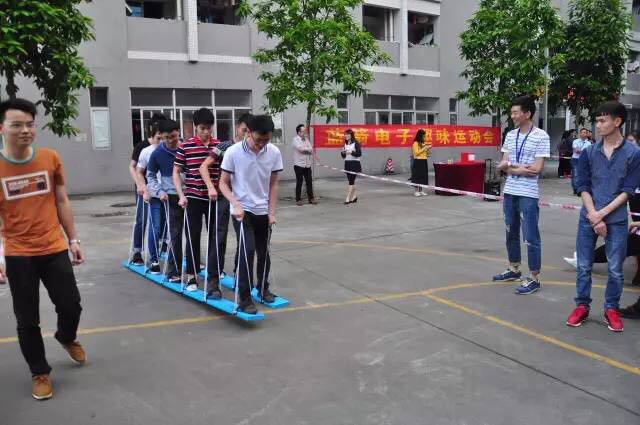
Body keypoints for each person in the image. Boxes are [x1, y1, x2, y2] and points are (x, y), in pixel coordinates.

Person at [0, 98, 85, 400]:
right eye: (17, 125)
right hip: (18, 253)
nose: (25, 130)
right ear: (2, 128)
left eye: (30, 124)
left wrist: (73, 240)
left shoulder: (50, 158)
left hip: (53, 246)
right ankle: (39, 372)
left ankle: (66, 335)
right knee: (27, 319)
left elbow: (61, 200)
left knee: (71, 305)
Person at [566, 101, 640, 332]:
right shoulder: (589, 152)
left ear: (617, 121)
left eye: (602, 120)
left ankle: (611, 309)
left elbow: (628, 190)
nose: (597, 125)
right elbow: (583, 186)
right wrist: (593, 215)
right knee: (584, 266)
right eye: (596, 121)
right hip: (588, 217)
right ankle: (582, 306)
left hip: (616, 219)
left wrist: (602, 215)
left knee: (615, 269)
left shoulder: (633, 154)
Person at [219, 115, 283, 313]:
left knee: (264, 251)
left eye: (266, 140)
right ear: (248, 132)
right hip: (242, 210)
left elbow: (273, 184)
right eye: (258, 140)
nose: (262, 144)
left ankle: (263, 288)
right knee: (247, 250)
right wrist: (235, 204)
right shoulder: (233, 152)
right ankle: (245, 298)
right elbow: (223, 183)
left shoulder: (273, 152)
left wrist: (271, 212)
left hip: (262, 210)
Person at [493, 95, 550, 295]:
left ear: (527, 113)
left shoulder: (541, 136)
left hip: (528, 194)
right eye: (512, 112)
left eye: (516, 112)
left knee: (531, 236)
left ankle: (534, 277)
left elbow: (536, 169)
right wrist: (517, 167)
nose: (513, 116)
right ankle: (514, 268)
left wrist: (511, 166)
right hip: (510, 192)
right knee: (511, 232)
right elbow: (502, 165)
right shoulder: (510, 135)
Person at [173, 108, 221, 298]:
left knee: (215, 237)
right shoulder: (186, 146)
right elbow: (176, 172)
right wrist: (181, 195)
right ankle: (192, 275)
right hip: (193, 197)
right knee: (192, 236)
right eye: (202, 128)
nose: (206, 132)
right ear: (195, 127)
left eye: (209, 128)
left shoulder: (218, 146)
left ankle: (213, 273)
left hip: (214, 198)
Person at [200, 113, 251, 281]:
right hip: (222, 196)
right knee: (219, 236)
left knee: (243, 237)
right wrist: (210, 187)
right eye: (244, 130)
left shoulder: (252, 149)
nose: (247, 134)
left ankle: (240, 273)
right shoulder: (224, 146)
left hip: (242, 198)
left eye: (250, 131)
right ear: (237, 127)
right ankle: (214, 276)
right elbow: (204, 166)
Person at [146, 120, 182, 280]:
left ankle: (193, 267)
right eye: (166, 138)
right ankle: (173, 271)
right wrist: (159, 191)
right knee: (174, 234)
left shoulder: (186, 148)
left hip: (190, 194)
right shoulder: (157, 153)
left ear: (178, 132)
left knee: (192, 233)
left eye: (173, 136)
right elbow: (150, 176)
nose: (170, 141)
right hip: (171, 196)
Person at [128, 113, 165, 265]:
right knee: (142, 219)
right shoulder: (142, 147)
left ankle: (161, 246)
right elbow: (133, 167)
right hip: (144, 187)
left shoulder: (166, 145)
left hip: (160, 189)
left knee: (160, 220)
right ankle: (137, 251)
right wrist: (140, 185)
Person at [137, 124, 164, 271]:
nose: (161, 141)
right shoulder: (146, 151)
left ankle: (171, 257)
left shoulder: (171, 149)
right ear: (152, 137)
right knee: (156, 227)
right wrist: (144, 188)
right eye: (158, 138)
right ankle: (154, 260)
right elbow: (139, 171)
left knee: (170, 229)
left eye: (163, 138)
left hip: (169, 194)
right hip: (154, 195)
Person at [292, 124, 317, 206]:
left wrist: (307, 149)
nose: (305, 132)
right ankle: (298, 199)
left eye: (305, 131)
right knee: (299, 182)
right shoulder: (295, 139)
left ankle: (311, 198)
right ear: (299, 132)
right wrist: (307, 149)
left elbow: (311, 149)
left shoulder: (306, 139)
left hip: (307, 165)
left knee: (309, 182)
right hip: (299, 165)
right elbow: (301, 149)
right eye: (303, 131)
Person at [341, 129, 362, 204]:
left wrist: (351, 152)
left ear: (351, 135)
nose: (346, 136)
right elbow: (343, 156)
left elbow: (359, 154)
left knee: (351, 181)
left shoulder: (356, 143)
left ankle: (348, 198)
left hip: (354, 164)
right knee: (351, 181)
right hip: (347, 163)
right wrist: (343, 152)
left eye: (348, 134)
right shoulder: (345, 143)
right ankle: (354, 197)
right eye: (345, 134)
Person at [410, 129, 431, 197]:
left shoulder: (423, 144)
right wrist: (424, 148)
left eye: (425, 136)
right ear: (420, 136)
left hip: (424, 161)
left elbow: (427, 154)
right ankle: (416, 191)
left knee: (423, 176)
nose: (424, 137)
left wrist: (428, 150)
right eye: (423, 136)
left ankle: (421, 191)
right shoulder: (415, 143)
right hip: (418, 161)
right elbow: (416, 153)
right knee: (417, 176)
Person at [571, 128, 591, 195]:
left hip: (585, 160)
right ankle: (576, 189)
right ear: (580, 134)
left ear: (587, 134)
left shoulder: (589, 143)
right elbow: (576, 150)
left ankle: (580, 188)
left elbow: (588, 152)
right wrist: (583, 151)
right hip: (576, 159)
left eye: (585, 132)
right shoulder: (575, 141)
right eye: (582, 132)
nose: (583, 134)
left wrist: (581, 151)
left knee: (583, 175)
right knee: (575, 174)